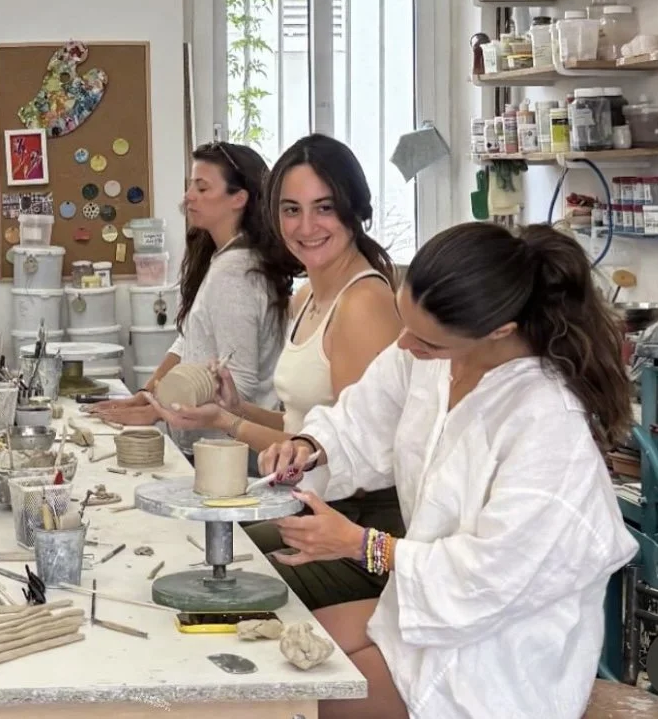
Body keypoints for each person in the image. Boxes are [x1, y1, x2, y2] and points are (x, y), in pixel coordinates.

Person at [258, 222, 638, 719]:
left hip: (499, 653)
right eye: (404, 324)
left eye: (428, 342)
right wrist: (310, 445)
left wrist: (359, 544)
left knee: (289, 704)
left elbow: (490, 578)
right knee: (269, 665)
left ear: (500, 330)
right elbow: (362, 417)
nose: (404, 346)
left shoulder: (548, 423)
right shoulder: (430, 355)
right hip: (423, 608)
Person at [148, 135, 404, 609]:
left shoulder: (362, 304)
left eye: (324, 208)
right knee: (191, 559)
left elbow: (354, 453)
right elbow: (301, 431)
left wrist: (236, 425)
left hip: (356, 529)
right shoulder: (307, 298)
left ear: (355, 209)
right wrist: (229, 414)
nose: (306, 226)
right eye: (291, 210)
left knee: (215, 596)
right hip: (310, 508)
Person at [89, 140, 291, 458]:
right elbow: (188, 344)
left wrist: (160, 409)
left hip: (229, 456)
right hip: (212, 447)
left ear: (239, 198)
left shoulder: (235, 273)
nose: (188, 197)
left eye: (202, 188)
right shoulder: (223, 258)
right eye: (190, 186)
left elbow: (239, 383)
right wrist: (149, 392)